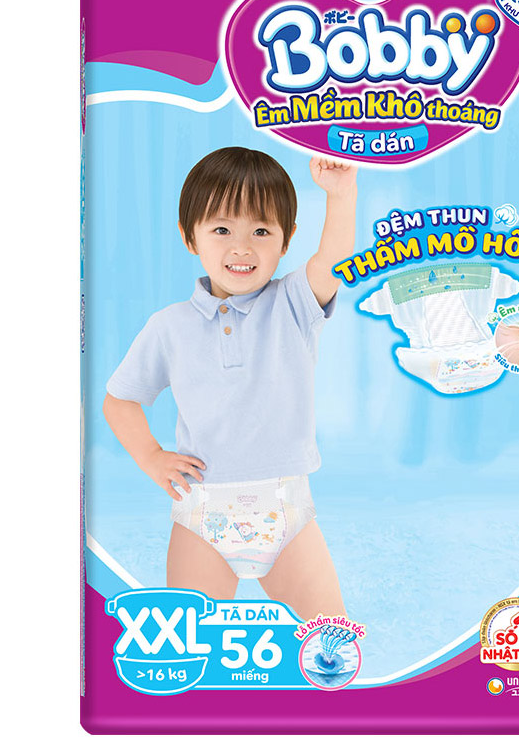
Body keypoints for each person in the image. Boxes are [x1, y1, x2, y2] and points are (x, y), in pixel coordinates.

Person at [103, 147, 357, 620]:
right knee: (190, 642)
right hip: (203, 515)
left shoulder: (294, 303)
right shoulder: (169, 326)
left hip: (286, 515)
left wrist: (341, 195)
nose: (242, 248)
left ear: (287, 240)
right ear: (190, 236)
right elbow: (120, 401)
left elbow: (335, 259)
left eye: (261, 231)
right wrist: (152, 457)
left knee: (332, 641)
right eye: (222, 230)